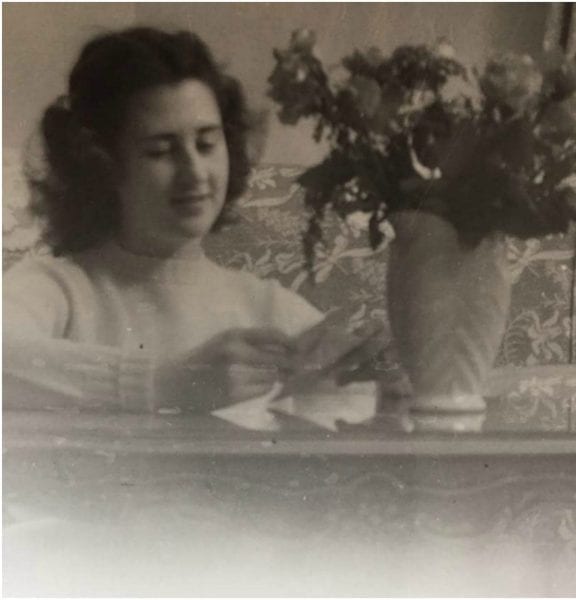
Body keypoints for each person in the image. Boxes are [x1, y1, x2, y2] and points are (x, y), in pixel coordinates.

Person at [3, 27, 377, 413]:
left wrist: (359, 393)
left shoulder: (270, 310)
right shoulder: (59, 288)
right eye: (161, 151)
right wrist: (160, 384)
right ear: (103, 164)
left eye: (206, 144)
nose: (195, 172)